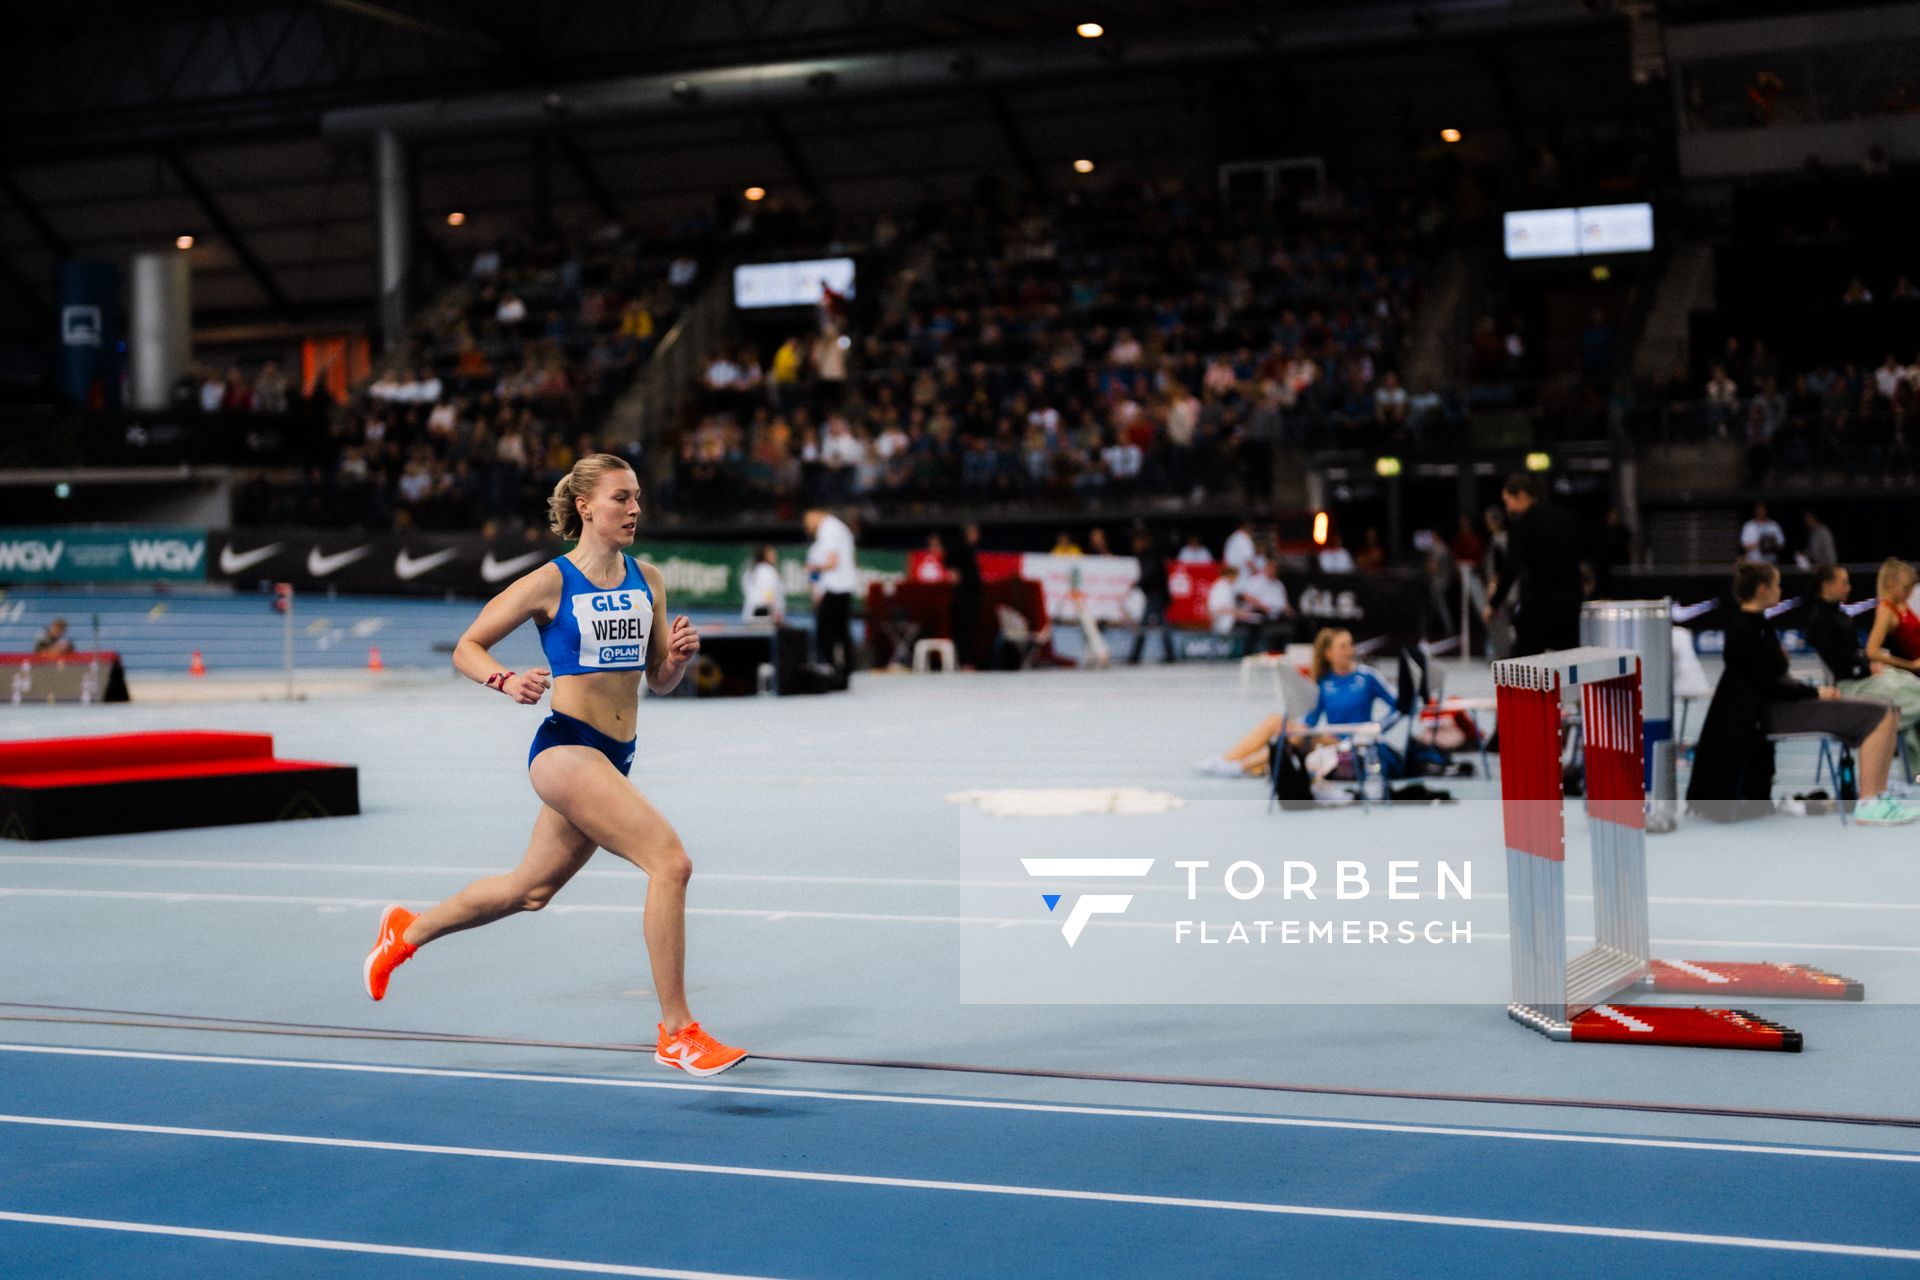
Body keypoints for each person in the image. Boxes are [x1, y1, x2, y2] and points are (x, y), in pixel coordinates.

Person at [361, 453, 749, 1075]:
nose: (635, 509)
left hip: (615, 756)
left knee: (530, 890)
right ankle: (678, 1032)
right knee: (669, 863)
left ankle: (405, 932)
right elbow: (468, 645)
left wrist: (674, 659)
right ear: (586, 506)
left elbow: (657, 679)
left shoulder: (647, 578)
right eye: (623, 498)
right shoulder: (552, 582)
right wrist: (503, 679)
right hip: (566, 748)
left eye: (638, 498)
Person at [1686, 561, 1914, 825]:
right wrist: (1815, 692)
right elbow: (1767, 682)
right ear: (1763, 589)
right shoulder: (1745, 630)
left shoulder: (1757, 626)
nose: (1781, 590)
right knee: (1881, 713)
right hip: (1773, 714)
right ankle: (1869, 802)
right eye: (1777, 584)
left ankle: (1879, 794)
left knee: (1890, 710)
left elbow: (1770, 676)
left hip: (1784, 705)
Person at [1194, 628, 1398, 780]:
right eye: (1343, 646)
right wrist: (1296, 730)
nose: (1349, 650)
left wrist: (1376, 729)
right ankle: (1228, 760)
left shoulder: (1367, 676)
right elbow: (1310, 721)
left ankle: (1240, 766)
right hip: (1332, 738)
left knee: (1297, 736)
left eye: (1350, 645)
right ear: (1329, 653)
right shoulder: (1323, 682)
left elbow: (1400, 706)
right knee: (1277, 722)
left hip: (1356, 742)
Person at [1805, 564, 1920, 777]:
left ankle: (1915, 770)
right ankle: (1913, 769)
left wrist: (1870, 665)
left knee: (1911, 685)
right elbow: (1841, 664)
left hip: (1863, 677)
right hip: (1851, 687)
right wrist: (1866, 668)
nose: (1849, 587)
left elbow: (1855, 653)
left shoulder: (1839, 613)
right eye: (1844, 582)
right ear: (1828, 585)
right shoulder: (1820, 621)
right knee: (1910, 697)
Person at [1485, 474, 1582, 656]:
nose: (1507, 508)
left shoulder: (1522, 524)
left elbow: (1511, 568)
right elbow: (1588, 553)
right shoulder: (1566, 518)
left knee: (1520, 665)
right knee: (1570, 662)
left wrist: (1493, 603)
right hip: (1571, 603)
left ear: (1521, 495)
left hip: (1539, 606)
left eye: (1508, 501)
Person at [804, 507, 857, 675]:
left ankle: (830, 670)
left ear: (816, 513)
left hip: (836, 588)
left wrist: (814, 568)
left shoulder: (829, 528)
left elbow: (832, 562)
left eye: (807, 519)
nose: (806, 524)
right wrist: (815, 590)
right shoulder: (831, 532)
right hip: (839, 587)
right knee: (840, 632)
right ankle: (841, 673)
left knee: (827, 633)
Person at [1128, 525, 1176, 665]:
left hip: (1157, 595)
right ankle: (1169, 654)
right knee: (1162, 625)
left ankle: (1134, 656)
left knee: (1145, 625)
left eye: (1136, 542)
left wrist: (1137, 584)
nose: (1134, 545)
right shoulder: (1148, 554)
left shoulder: (1151, 554)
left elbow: (1150, 575)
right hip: (1155, 594)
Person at [1865, 557, 1920, 672]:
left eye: (1911, 588)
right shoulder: (1885, 609)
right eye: (1905, 589)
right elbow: (1871, 651)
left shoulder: (1901, 603)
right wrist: (1910, 665)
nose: (1909, 593)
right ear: (1891, 584)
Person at [948, 522, 985, 670]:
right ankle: (965, 662)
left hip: (972, 597)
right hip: (963, 598)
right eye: (974, 533)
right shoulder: (960, 548)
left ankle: (968, 661)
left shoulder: (971, 550)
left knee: (970, 631)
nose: (977, 536)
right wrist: (953, 571)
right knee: (964, 630)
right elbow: (948, 561)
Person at [742, 544, 783, 623]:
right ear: (764, 555)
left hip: (751, 614)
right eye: (771, 553)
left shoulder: (750, 571)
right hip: (763, 615)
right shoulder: (767, 570)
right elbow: (768, 595)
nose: (775, 555)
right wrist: (774, 614)